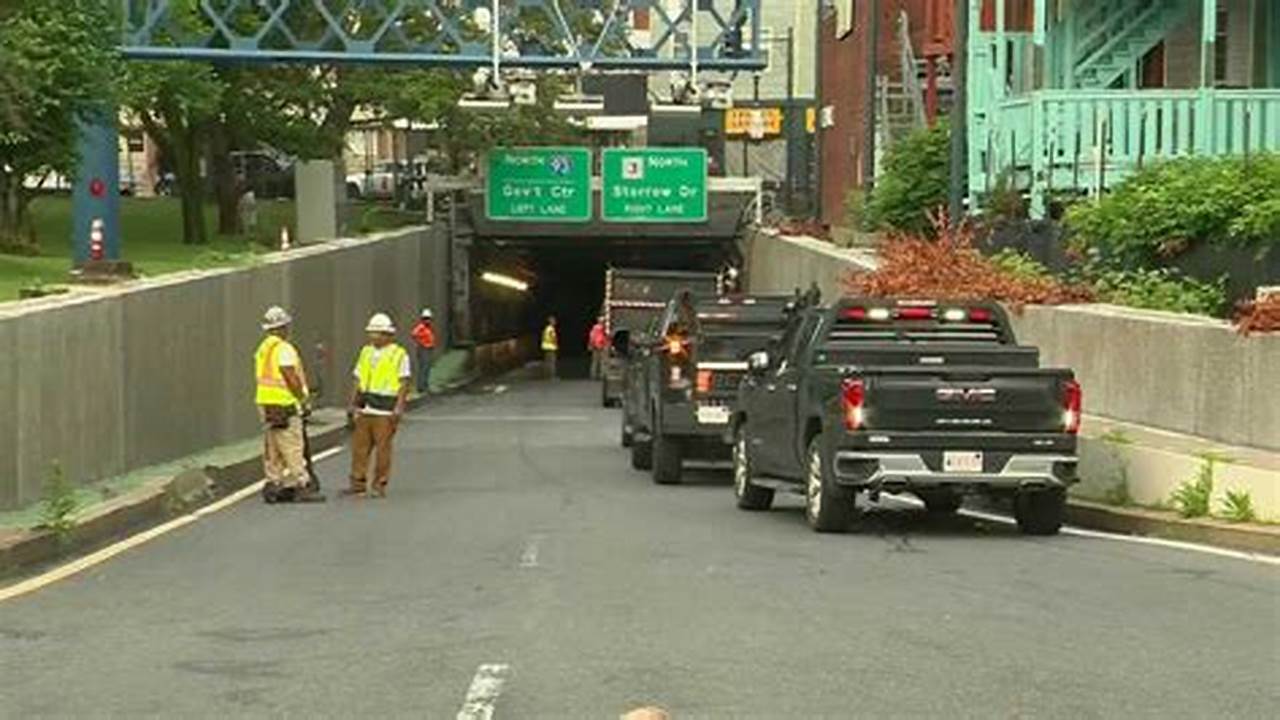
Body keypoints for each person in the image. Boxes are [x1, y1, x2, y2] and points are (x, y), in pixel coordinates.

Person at [255, 306, 324, 503]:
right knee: (292, 444)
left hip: (265, 402)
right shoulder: (284, 349)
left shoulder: (263, 349)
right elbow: (289, 375)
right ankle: (300, 484)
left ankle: (274, 483)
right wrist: (302, 398)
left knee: (273, 446)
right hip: (285, 403)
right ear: (284, 327)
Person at [345, 313, 411, 499]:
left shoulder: (399, 355)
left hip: (385, 409)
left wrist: (399, 407)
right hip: (365, 407)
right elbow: (357, 379)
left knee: (383, 449)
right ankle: (358, 484)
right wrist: (352, 404)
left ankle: (379, 484)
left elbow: (404, 382)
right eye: (371, 333)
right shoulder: (365, 352)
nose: (373, 336)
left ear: (387, 335)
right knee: (360, 449)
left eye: (377, 333)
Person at [410, 308, 436, 395]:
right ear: (423, 319)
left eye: (429, 318)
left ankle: (425, 385)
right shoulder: (421, 327)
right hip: (424, 349)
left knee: (427, 368)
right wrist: (421, 342)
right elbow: (414, 334)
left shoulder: (428, 328)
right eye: (426, 318)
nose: (428, 320)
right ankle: (421, 387)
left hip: (428, 349)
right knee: (423, 368)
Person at [588, 316, 607, 380]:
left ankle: (593, 375)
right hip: (601, 345)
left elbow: (592, 337)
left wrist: (591, 344)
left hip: (596, 346)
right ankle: (602, 375)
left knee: (595, 361)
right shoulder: (604, 328)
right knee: (602, 361)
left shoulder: (594, 328)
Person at [541, 315, 559, 380]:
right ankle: (552, 377)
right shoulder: (551, 329)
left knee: (547, 362)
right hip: (551, 347)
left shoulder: (546, 329)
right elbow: (553, 338)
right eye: (553, 321)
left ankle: (546, 376)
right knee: (551, 363)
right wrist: (555, 344)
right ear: (550, 322)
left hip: (546, 347)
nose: (555, 322)